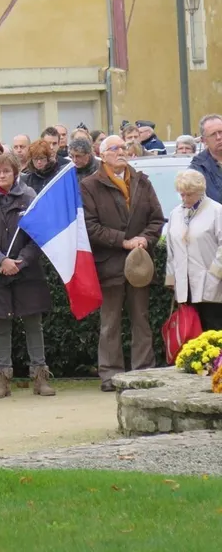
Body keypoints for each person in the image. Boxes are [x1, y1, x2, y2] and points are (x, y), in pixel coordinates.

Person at [81, 135, 164, 392]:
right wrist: (123, 241)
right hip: (109, 264)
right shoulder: (90, 185)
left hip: (139, 265)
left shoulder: (142, 181)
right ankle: (110, 375)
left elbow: (157, 219)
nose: (121, 152)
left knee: (141, 319)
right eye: (115, 148)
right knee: (110, 323)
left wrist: (144, 240)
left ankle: (143, 371)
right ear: (102, 154)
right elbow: (91, 227)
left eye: (124, 147)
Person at [0, 152, 55, 398]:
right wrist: (2, 259)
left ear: (15, 173)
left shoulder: (29, 197)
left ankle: (40, 379)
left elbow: (38, 235)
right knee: (1, 327)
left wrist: (21, 261)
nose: (2, 175)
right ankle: (2, 380)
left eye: (7, 171)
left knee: (33, 325)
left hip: (27, 273)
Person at [166, 170, 222, 331]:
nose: (184, 199)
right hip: (185, 285)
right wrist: (171, 279)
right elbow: (171, 249)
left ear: (200, 192)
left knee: (213, 330)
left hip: (212, 285)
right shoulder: (175, 214)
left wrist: (214, 274)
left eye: (189, 195)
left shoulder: (217, 211)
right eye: (182, 195)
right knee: (191, 332)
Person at [190, 114, 222, 203]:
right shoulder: (196, 171)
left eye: (221, 132)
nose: (219, 137)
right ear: (204, 141)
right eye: (213, 134)